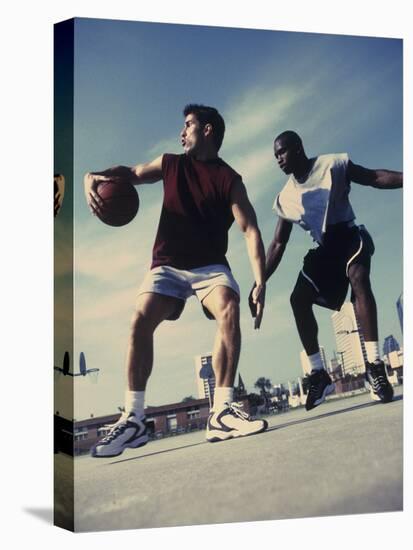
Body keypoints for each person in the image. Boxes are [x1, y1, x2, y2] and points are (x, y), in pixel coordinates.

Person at [84, 104, 267, 457]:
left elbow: (250, 230)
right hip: (167, 264)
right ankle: (134, 419)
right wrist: (93, 175)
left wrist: (260, 282)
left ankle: (221, 412)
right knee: (140, 317)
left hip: (209, 267)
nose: (182, 133)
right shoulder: (171, 163)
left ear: (208, 130)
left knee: (229, 305)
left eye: (188, 125)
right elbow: (132, 172)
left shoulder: (229, 179)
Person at [250, 130, 402, 411]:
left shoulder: (333, 165)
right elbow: (278, 243)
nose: (278, 160)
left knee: (358, 278)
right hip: (325, 251)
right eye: (275, 156)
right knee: (297, 299)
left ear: (298, 148)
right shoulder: (286, 197)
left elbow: (373, 177)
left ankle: (374, 367)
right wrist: (260, 282)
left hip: (349, 237)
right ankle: (319, 375)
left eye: (282, 152)